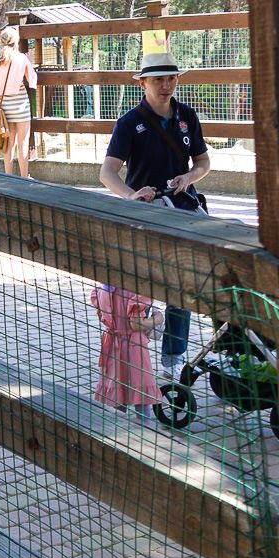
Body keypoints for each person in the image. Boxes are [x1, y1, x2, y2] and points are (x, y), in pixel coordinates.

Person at [99, 51, 210, 381]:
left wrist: (190, 177)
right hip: (145, 215)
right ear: (143, 83)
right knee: (139, 288)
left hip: (184, 210)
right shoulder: (130, 122)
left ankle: (173, 355)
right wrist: (132, 196)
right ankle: (134, 352)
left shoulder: (187, 116)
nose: (166, 85)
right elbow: (107, 173)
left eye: (171, 78)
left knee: (182, 285)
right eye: (159, 79)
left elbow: (202, 162)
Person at [90, 285, 164, 422]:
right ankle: (144, 427)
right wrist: (158, 318)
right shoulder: (137, 291)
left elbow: (101, 315)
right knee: (140, 389)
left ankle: (118, 428)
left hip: (112, 345)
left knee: (118, 390)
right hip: (134, 346)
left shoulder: (104, 288)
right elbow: (136, 324)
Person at [0, 26, 37, 178]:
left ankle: (8, 177)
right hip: (20, 104)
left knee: (9, 143)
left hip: (5, 105)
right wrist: (30, 62)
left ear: (2, 41)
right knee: (23, 143)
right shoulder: (21, 58)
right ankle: (24, 177)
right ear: (16, 41)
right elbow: (32, 79)